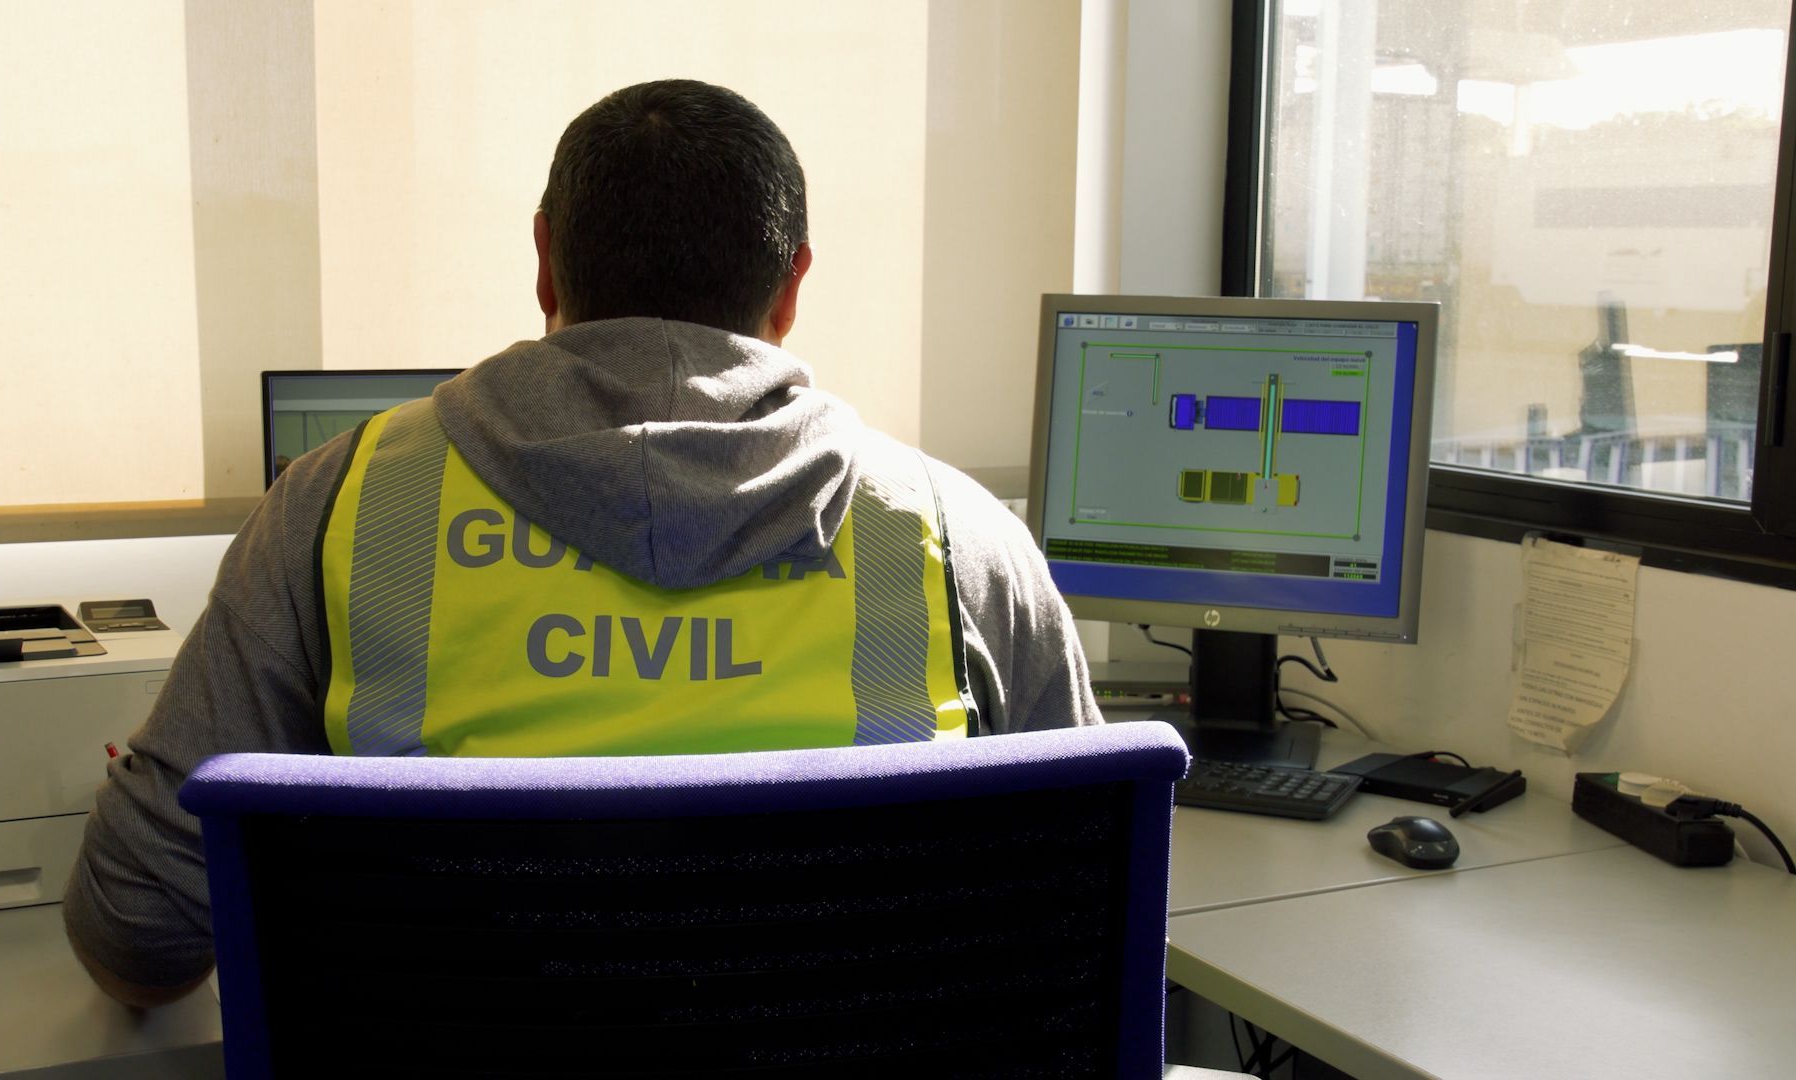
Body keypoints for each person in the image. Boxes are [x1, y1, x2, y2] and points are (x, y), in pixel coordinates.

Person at [64, 79, 1102, 1007]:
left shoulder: (337, 508)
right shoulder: (958, 537)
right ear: (791, 287)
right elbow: (1094, 912)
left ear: (545, 262)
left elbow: (137, 932)